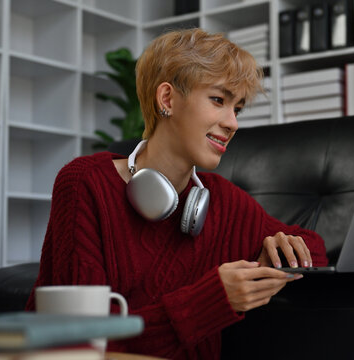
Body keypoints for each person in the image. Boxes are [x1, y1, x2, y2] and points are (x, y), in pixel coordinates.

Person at [26, 28, 328, 359]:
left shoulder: (223, 202)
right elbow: (85, 343)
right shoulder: (86, 183)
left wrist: (282, 247)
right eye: (218, 100)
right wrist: (213, 299)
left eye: (237, 109)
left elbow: (315, 247)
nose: (233, 123)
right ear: (167, 99)